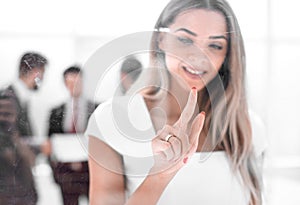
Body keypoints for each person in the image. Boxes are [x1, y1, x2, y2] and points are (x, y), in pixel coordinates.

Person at [86, 0, 265, 205]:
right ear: (161, 39)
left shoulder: (249, 127)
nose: (198, 56)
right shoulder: (110, 120)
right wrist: (160, 175)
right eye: (185, 40)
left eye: (215, 45)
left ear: (227, 55)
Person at [45, 66, 97, 205]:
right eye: (71, 83)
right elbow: (50, 143)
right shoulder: (56, 111)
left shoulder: (97, 109)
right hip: (66, 174)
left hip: (91, 172)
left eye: (78, 83)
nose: (74, 87)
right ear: (65, 84)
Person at [0, 90, 38, 205]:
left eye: (8, 113)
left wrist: (16, 139)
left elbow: (32, 160)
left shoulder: (23, 130)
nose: (3, 117)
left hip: (24, 195)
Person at [1, 52, 48, 138]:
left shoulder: (19, 96)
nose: (43, 78)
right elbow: (6, 140)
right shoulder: (7, 97)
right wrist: (40, 147)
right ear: (35, 72)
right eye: (42, 72)